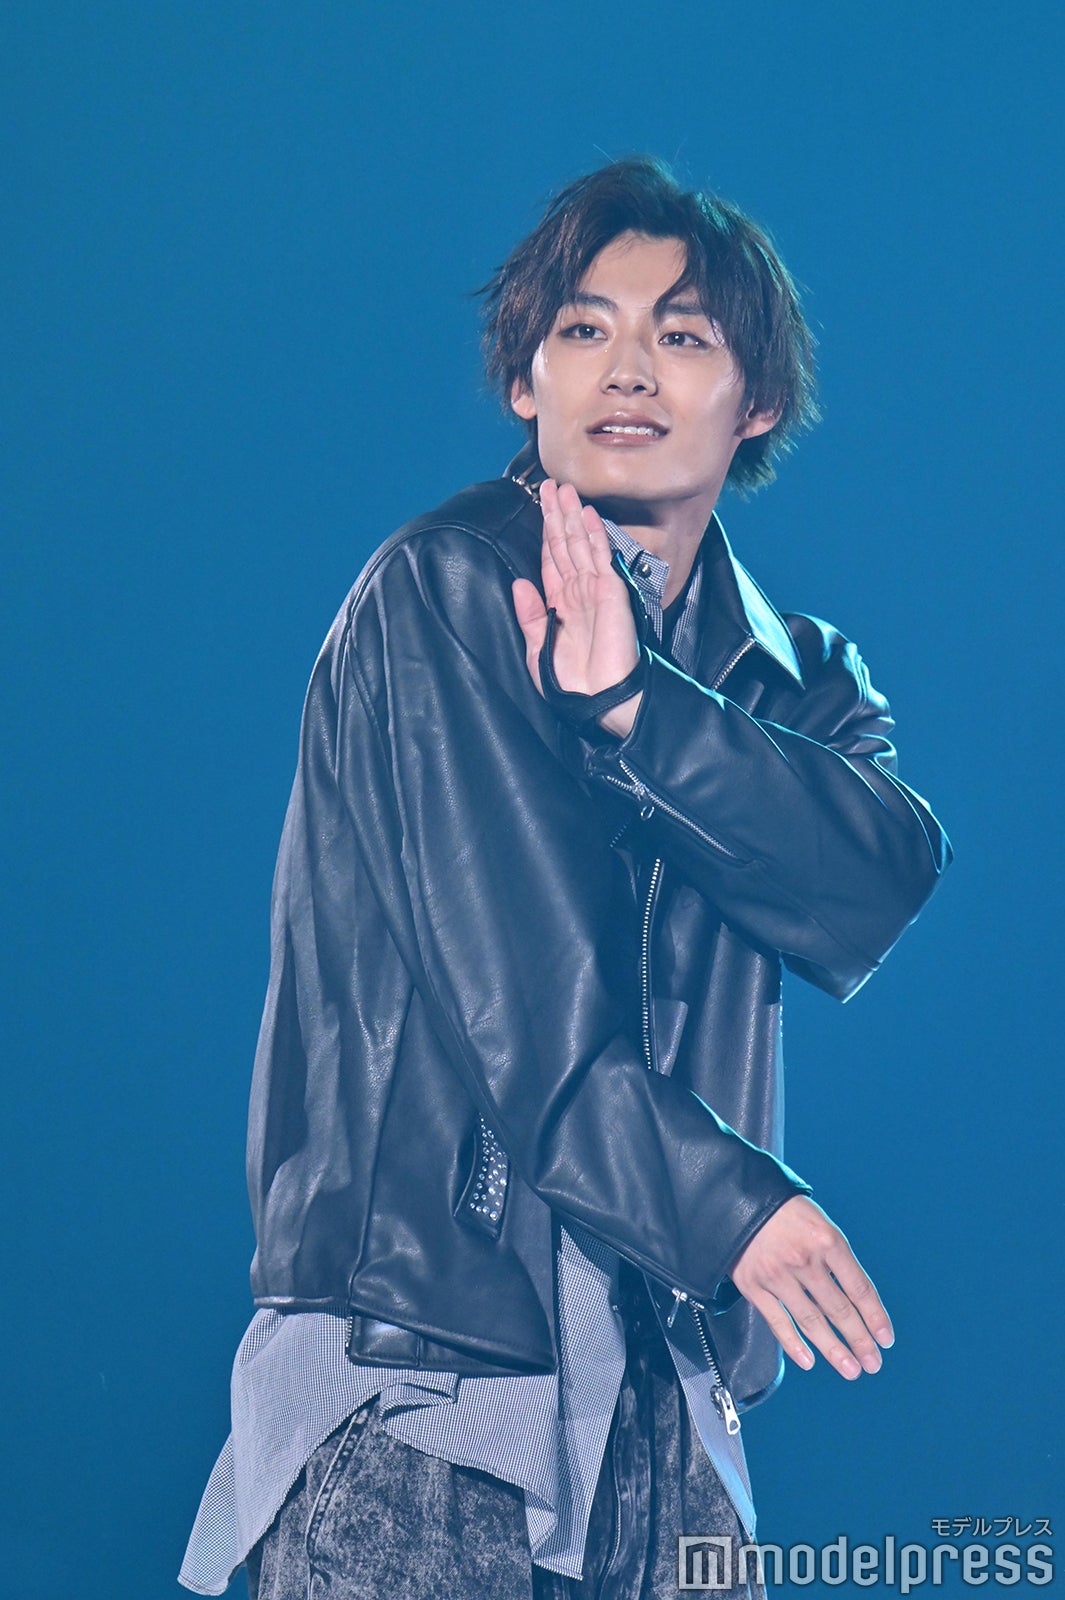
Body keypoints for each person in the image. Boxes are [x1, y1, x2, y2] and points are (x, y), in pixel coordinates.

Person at [180, 157, 951, 1599]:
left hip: (670, 1390)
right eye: (584, 329)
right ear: (524, 381)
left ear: (756, 400)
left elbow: (876, 884)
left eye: (682, 334)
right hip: (426, 1366)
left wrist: (639, 710)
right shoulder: (446, 592)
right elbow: (521, 1017)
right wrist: (736, 1207)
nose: (627, 370)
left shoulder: (795, 675)